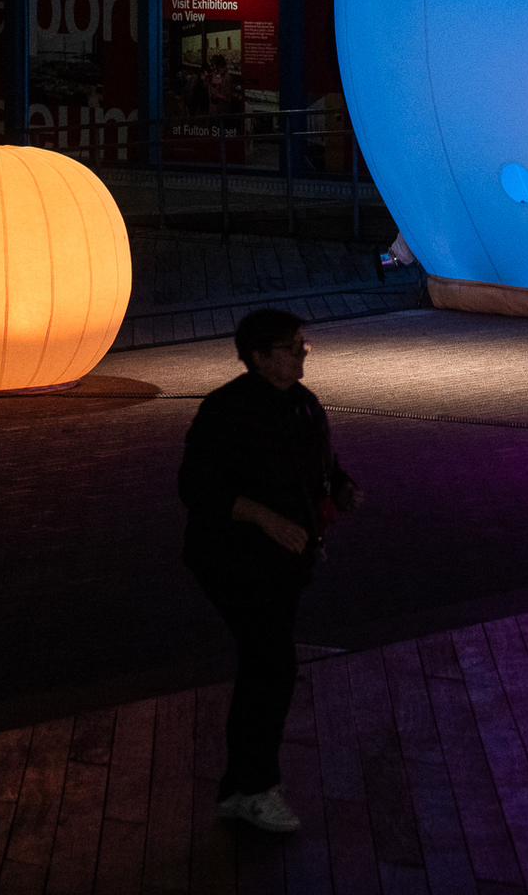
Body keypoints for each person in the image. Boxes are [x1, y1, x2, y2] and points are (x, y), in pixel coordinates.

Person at [179, 308, 363, 834]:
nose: (302, 353)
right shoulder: (226, 411)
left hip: (283, 563)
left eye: (304, 343)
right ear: (259, 358)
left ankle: (241, 789)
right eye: (290, 347)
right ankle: (255, 789)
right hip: (233, 562)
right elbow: (197, 488)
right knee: (272, 664)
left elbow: (321, 465)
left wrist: (341, 489)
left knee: (265, 667)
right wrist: (266, 520)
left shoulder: (303, 405)